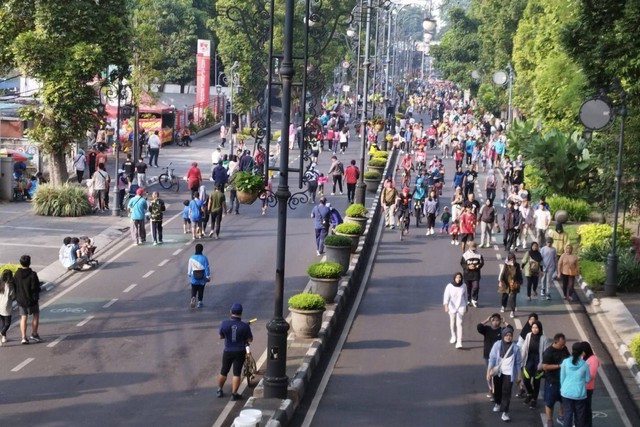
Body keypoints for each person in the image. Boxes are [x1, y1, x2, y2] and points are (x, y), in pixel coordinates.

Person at [217, 303, 253, 400]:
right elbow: (250, 339)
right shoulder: (244, 326)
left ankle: (219, 389)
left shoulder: (224, 324)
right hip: (240, 351)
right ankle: (234, 394)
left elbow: (221, 336)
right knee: (237, 373)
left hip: (228, 350)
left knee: (224, 371)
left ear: (231, 312)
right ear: (241, 313)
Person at [487, 327, 521, 422]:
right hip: (498, 372)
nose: (508, 337)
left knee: (507, 392)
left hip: (509, 373)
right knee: (497, 390)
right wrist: (488, 371)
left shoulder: (515, 348)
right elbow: (492, 359)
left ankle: (505, 412)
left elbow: (518, 363)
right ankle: (498, 403)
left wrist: (519, 375)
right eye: (506, 335)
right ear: (503, 335)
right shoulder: (497, 345)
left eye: (510, 335)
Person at [542, 333, 571, 427]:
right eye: (561, 344)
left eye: (564, 344)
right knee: (549, 402)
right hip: (552, 381)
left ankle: (561, 416)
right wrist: (558, 366)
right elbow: (545, 366)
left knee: (563, 400)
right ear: (555, 342)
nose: (563, 346)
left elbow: (569, 358)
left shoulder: (564, 349)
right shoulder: (548, 352)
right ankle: (549, 420)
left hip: (563, 381)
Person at [520, 320, 549, 409]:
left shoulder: (544, 338)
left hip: (538, 361)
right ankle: (530, 393)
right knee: (526, 380)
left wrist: (542, 364)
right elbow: (524, 349)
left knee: (536, 382)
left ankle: (534, 400)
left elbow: (545, 353)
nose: (534, 329)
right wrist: (521, 361)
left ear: (539, 328)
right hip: (529, 361)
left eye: (536, 327)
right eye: (533, 327)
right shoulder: (528, 335)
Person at [560, 342, 591, 427]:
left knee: (567, 415)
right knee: (580, 416)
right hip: (580, 394)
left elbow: (562, 378)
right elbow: (588, 379)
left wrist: (563, 388)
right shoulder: (584, 364)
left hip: (566, 392)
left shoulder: (565, 362)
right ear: (582, 352)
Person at [13, 255, 42, 344]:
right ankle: (34, 333)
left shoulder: (17, 274)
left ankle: (23, 337)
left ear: (20, 263)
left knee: (23, 317)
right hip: (32, 300)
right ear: (29, 263)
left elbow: (14, 286)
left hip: (21, 300)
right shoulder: (33, 274)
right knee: (35, 315)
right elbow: (35, 287)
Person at [443, 272, 467, 349]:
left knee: (459, 324)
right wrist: (446, 306)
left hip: (461, 306)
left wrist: (466, 305)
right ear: (454, 278)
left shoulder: (464, 286)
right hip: (452, 307)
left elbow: (465, 296)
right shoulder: (449, 286)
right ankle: (453, 335)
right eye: (457, 277)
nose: (458, 279)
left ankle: (459, 341)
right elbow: (446, 296)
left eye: (460, 277)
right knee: (452, 322)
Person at [460, 241, 485, 307]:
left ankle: (474, 299)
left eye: (474, 248)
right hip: (467, 275)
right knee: (468, 288)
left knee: (476, 287)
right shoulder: (465, 255)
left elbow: (482, 263)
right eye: (472, 248)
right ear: (469, 247)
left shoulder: (479, 255)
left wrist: (477, 266)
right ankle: (468, 299)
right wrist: (468, 267)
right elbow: (462, 263)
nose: (473, 250)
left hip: (476, 274)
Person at [498, 252, 523, 318]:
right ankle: (503, 306)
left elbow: (519, 274)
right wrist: (500, 281)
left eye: (513, 259)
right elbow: (502, 274)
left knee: (512, 298)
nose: (512, 261)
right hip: (505, 283)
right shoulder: (506, 265)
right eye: (511, 259)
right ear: (508, 259)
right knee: (504, 296)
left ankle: (512, 311)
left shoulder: (517, 265)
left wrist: (520, 282)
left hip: (514, 284)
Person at [581, 341, 600, 427]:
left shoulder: (593, 360)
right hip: (580, 387)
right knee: (581, 408)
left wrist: (579, 376)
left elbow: (591, 375)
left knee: (586, 408)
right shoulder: (583, 357)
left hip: (587, 388)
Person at [187, 243, 210, 309]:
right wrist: (207, 276)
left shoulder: (191, 258)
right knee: (201, 289)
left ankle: (193, 297)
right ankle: (200, 302)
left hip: (193, 276)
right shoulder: (204, 258)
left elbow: (189, 268)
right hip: (202, 277)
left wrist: (189, 274)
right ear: (202, 250)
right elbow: (207, 267)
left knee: (194, 288)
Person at [0, 269, 15, 344]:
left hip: (0, 305)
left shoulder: (0, 283)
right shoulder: (10, 285)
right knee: (7, 323)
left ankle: (4, 338)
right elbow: (13, 296)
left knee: (3, 322)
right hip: (6, 306)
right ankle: (2, 333)